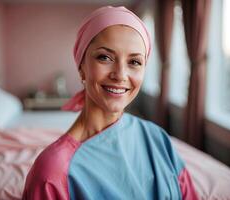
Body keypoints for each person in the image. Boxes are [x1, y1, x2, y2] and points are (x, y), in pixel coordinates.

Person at [22, 6, 198, 200]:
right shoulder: (52, 173)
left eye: (134, 62)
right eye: (105, 57)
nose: (120, 75)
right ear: (81, 68)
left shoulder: (158, 139)